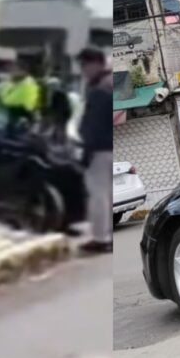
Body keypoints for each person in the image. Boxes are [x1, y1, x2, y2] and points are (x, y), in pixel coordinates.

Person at [76, 47, 113, 252]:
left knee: (98, 194)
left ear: (97, 64)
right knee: (105, 194)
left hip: (99, 150)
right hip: (105, 147)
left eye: (85, 65)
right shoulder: (107, 84)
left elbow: (93, 126)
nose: (83, 70)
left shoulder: (100, 88)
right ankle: (104, 236)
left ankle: (100, 238)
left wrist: (85, 151)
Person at [0, 63, 41, 131]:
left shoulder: (28, 85)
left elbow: (31, 102)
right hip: (14, 111)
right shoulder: (9, 83)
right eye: (13, 70)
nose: (13, 72)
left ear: (24, 72)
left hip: (23, 110)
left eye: (16, 70)